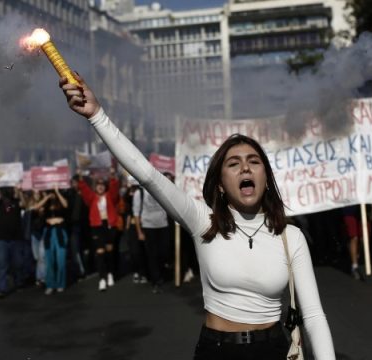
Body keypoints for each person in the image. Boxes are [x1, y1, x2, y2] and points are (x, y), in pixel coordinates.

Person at [60, 75, 335, 359]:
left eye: (254, 162)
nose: (245, 168)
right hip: (216, 351)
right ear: (219, 183)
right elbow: (148, 175)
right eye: (233, 163)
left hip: (274, 350)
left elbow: (313, 316)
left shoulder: (291, 237)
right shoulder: (203, 221)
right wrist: (97, 115)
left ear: (265, 176)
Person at [78, 168, 124, 292]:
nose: (100, 187)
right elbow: (84, 190)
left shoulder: (110, 196)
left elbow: (115, 188)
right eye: (98, 185)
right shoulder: (92, 198)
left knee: (109, 252)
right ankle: (102, 278)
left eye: (102, 185)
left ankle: (110, 274)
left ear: (105, 186)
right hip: (96, 227)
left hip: (109, 226)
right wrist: (81, 177)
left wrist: (113, 175)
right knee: (100, 253)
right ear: (95, 187)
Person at [0, 186, 27, 298]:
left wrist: (19, 192)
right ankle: (2, 289)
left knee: (18, 263)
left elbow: (24, 205)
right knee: (2, 264)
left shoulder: (16, 202)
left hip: (16, 238)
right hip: (1, 239)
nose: (7, 193)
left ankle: (19, 282)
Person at [132, 177, 169, 293]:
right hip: (148, 227)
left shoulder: (162, 190)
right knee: (152, 255)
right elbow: (136, 213)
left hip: (163, 225)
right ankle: (156, 281)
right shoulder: (139, 192)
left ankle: (160, 275)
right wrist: (139, 232)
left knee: (163, 252)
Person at [41, 187, 69, 295]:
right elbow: (36, 207)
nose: (52, 194)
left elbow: (66, 204)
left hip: (60, 232)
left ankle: (60, 284)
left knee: (61, 260)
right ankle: (50, 284)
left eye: (53, 192)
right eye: (50, 191)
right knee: (49, 260)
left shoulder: (62, 200)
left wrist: (57, 192)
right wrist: (47, 197)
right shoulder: (46, 203)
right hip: (48, 232)